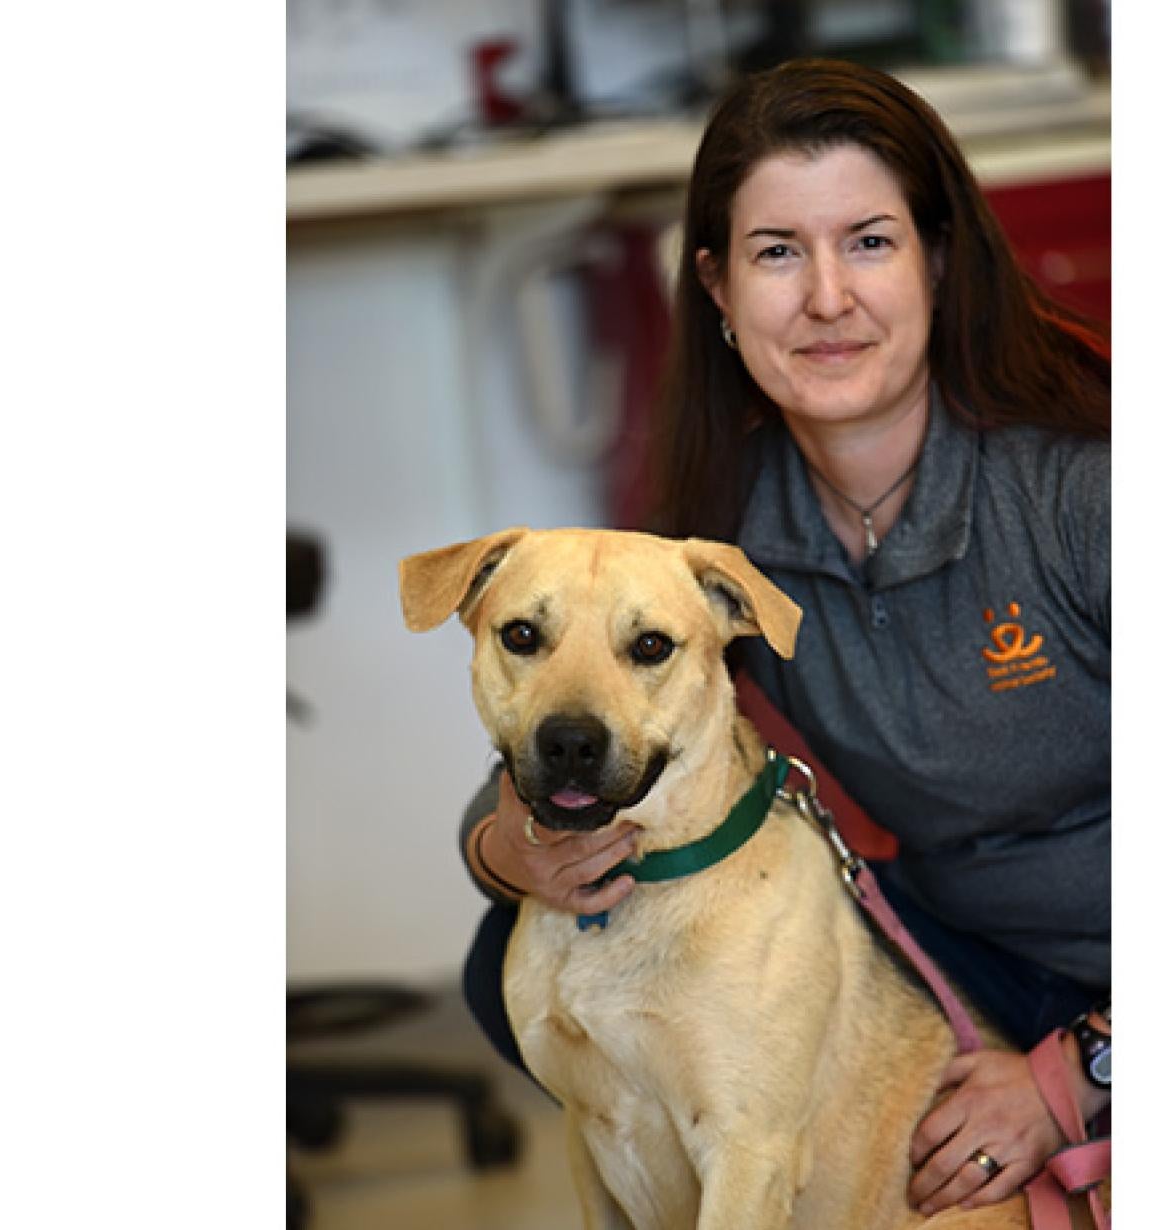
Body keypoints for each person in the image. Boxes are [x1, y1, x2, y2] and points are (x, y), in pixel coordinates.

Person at [455, 57, 1110, 1218]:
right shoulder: (725, 526)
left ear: (938, 258)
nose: (825, 298)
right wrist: (511, 851)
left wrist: (1081, 1076)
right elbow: (576, 731)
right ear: (713, 285)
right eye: (775, 253)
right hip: (969, 951)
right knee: (522, 954)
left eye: (868, 241)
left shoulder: (1079, 492)